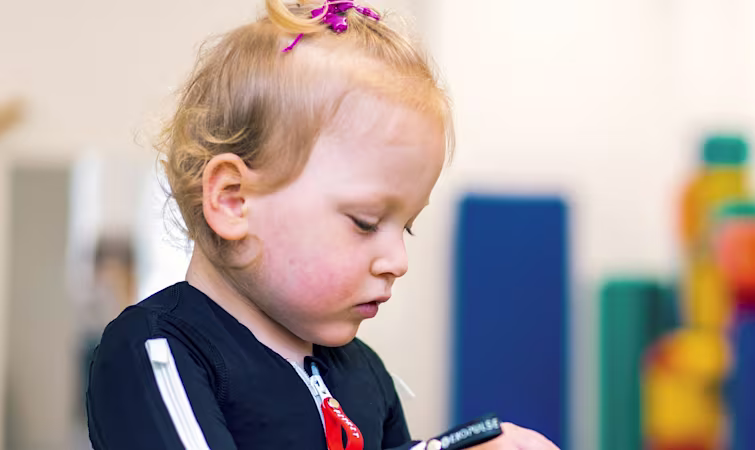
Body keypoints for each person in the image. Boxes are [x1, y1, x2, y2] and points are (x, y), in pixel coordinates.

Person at [86, 1, 559, 449]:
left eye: (407, 227)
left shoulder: (364, 374)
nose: (398, 261)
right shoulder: (158, 350)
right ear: (233, 201)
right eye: (366, 222)